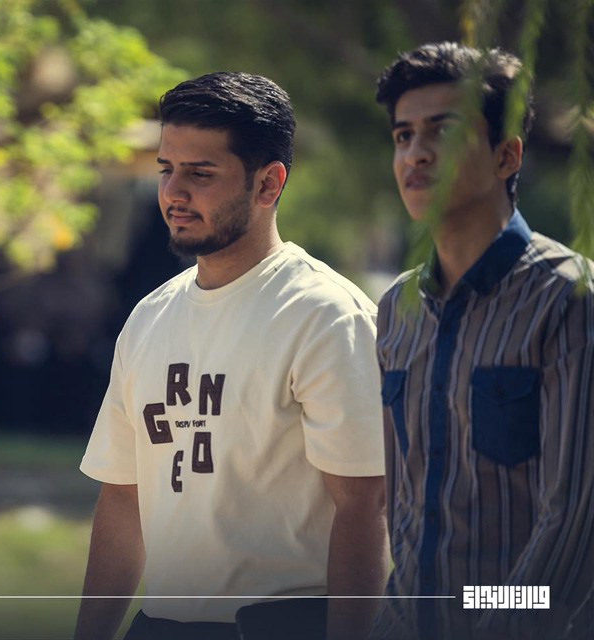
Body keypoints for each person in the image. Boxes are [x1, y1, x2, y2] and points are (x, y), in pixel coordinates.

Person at [74, 71, 389, 640]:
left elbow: (365, 507)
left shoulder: (327, 317)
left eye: (200, 174)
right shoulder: (149, 317)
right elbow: (122, 496)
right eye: (166, 170)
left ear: (268, 183)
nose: (174, 192)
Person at [370, 42, 594, 640]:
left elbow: (573, 520)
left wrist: (495, 623)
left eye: (441, 131)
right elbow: (400, 500)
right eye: (403, 136)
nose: (416, 154)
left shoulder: (568, 299)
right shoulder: (396, 311)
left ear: (506, 155)